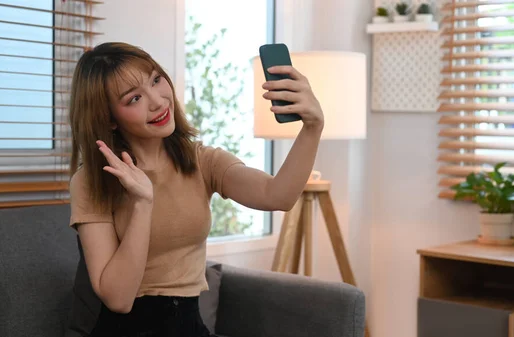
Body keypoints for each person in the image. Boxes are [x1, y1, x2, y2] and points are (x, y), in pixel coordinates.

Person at [67, 42, 324, 337]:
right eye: (134, 98)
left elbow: (278, 195)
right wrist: (142, 204)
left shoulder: (201, 161)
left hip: (189, 326)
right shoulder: (92, 180)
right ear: (109, 118)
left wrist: (313, 127)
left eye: (156, 79)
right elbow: (119, 300)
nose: (158, 101)